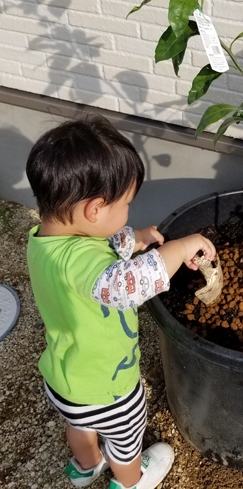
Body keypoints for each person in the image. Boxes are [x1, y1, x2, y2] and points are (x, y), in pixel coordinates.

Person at [25, 116, 216, 488]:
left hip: (64, 377)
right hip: (108, 389)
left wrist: (133, 239)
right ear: (95, 209)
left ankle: (86, 466)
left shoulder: (43, 240)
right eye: (126, 203)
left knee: (79, 427)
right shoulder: (83, 264)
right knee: (126, 443)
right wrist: (180, 247)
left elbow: (92, 252)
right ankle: (130, 481)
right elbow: (126, 284)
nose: (128, 209)